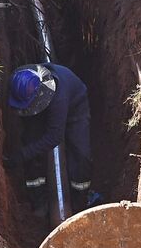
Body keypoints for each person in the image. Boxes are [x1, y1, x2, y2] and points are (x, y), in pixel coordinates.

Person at [6, 63, 98, 215]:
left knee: (81, 155)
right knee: (31, 143)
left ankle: (80, 200)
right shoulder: (19, 82)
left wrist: (21, 155)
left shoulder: (58, 99)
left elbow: (54, 137)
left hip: (75, 107)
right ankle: (38, 199)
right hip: (36, 103)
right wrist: (23, 153)